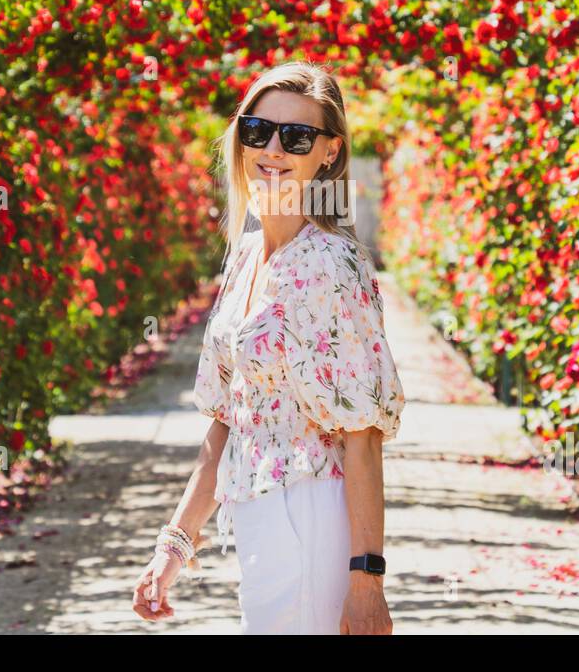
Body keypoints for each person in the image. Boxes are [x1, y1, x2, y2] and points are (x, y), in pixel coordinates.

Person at [131, 60, 406, 634]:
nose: (273, 149)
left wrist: (366, 579)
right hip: (254, 518)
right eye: (258, 130)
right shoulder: (245, 257)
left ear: (327, 153)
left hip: (312, 516)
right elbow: (228, 423)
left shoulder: (333, 264)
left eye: (297, 136)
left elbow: (363, 436)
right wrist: (173, 547)